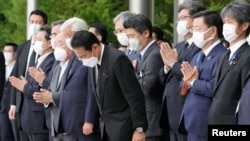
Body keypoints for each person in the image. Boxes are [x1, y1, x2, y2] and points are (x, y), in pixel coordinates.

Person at [71, 30, 148, 141]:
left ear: (95, 47)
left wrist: (139, 128)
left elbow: (134, 96)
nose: (83, 60)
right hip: (107, 127)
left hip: (125, 127)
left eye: (84, 56)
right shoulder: (93, 61)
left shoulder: (117, 59)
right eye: (80, 58)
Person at [33, 31, 101, 141]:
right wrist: (46, 97)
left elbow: (90, 91)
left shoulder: (85, 61)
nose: (57, 47)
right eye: (56, 43)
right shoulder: (58, 67)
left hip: (80, 124)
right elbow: (57, 90)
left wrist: (89, 120)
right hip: (58, 126)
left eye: (60, 43)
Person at [158, 1, 205, 141]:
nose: (180, 22)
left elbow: (188, 73)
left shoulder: (201, 46)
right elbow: (162, 76)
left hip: (186, 108)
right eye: (178, 19)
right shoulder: (179, 45)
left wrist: (173, 63)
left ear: (196, 19)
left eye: (184, 18)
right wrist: (167, 66)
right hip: (171, 108)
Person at [178, 10, 226, 141]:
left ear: (212, 31)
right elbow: (182, 84)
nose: (194, 33)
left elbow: (215, 88)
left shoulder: (222, 56)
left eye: (198, 29)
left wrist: (193, 82)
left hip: (207, 122)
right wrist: (187, 81)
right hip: (192, 120)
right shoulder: (198, 55)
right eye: (192, 29)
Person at [124, 14, 166, 141]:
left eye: (132, 36)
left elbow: (148, 87)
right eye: (128, 37)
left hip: (151, 123)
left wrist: (132, 73)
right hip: (142, 121)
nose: (130, 41)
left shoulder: (154, 55)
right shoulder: (139, 54)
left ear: (146, 33)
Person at [9, 25, 55, 141]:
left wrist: (24, 86)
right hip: (30, 118)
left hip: (39, 120)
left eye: (39, 40)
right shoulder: (39, 60)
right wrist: (25, 85)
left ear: (49, 43)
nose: (35, 43)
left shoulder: (51, 61)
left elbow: (42, 89)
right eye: (35, 39)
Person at [208, 0, 250, 125]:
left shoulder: (247, 55)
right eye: (225, 22)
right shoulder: (224, 55)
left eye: (230, 22)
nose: (226, 26)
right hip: (216, 121)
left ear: (244, 26)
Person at [0, 43, 18, 141]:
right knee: (4, 135)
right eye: (5, 51)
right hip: (3, 107)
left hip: (14, 107)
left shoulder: (18, 68)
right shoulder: (3, 67)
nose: (6, 54)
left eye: (9, 51)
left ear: (15, 53)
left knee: (16, 135)